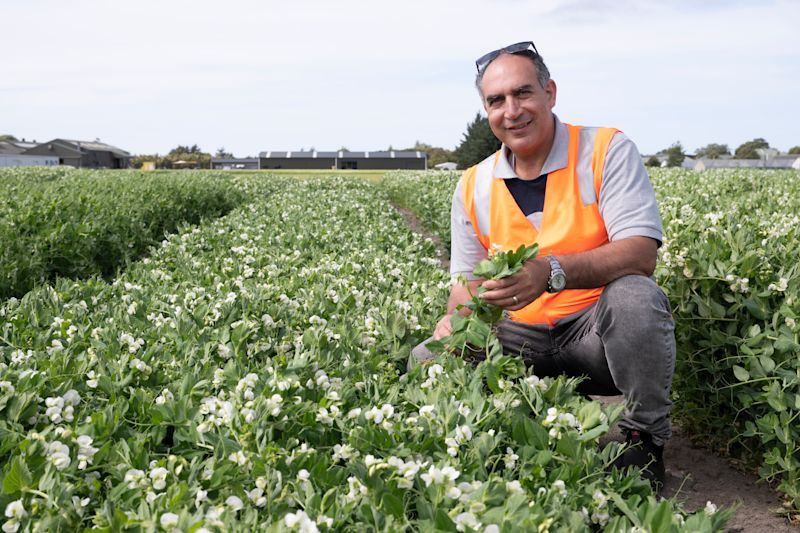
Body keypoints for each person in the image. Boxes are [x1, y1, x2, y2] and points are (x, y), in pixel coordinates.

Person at [411, 41, 675, 491]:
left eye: (523, 93)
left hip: (596, 339)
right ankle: (485, 434)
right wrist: (451, 322)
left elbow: (640, 253)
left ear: (550, 92)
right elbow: (467, 285)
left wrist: (551, 272)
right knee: (425, 359)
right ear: (486, 110)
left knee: (636, 296)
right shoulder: (473, 184)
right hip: (519, 341)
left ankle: (643, 436)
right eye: (497, 101)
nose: (512, 110)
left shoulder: (605, 149)